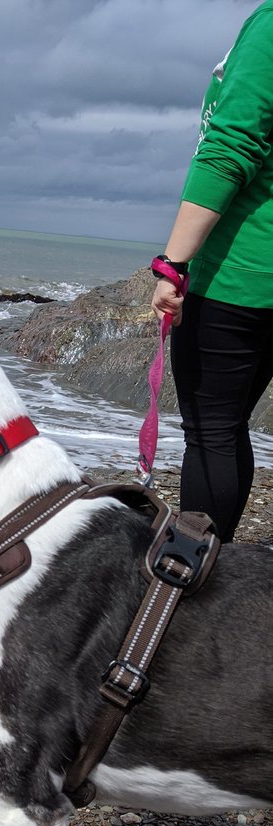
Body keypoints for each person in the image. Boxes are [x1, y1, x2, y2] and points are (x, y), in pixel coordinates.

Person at [151, 0, 273, 542]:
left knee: (214, 431)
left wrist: (173, 264)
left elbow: (231, 146)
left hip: (244, 271)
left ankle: (202, 576)